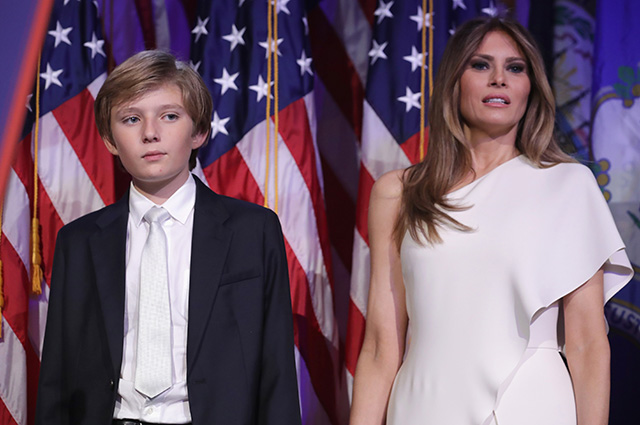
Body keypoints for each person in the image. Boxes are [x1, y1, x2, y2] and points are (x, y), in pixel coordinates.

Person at [349, 17, 633, 425]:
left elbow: (587, 342)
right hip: (421, 406)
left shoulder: (568, 185)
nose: (499, 78)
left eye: (515, 68)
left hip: (530, 407)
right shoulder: (398, 193)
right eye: (481, 65)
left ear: (530, 88)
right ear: (454, 82)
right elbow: (380, 345)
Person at [35, 50, 302, 425]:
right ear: (109, 139)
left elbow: (276, 369)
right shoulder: (79, 242)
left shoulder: (252, 230)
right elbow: (58, 376)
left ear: (198, 132)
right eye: (131, 119)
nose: (150, 133)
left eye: (169, 116)